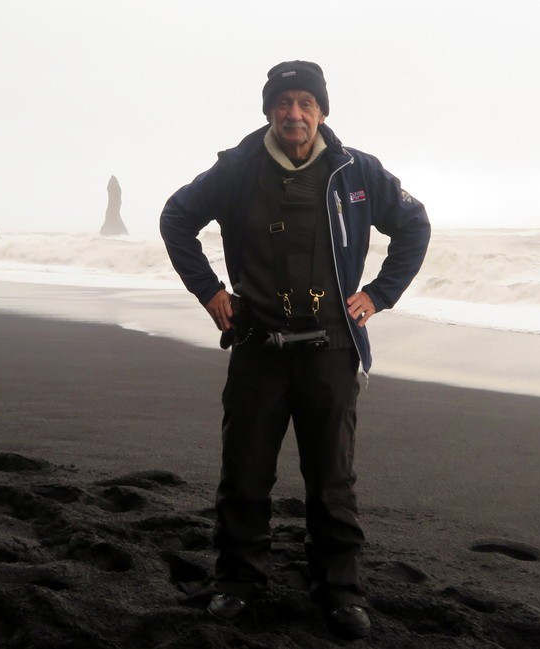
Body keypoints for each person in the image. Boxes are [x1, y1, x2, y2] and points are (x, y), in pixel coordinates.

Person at [160, 60, 430, 640]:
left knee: (332, 478)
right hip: (257, 345)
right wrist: (209, 292)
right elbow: (176, 217)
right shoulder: (236, 169)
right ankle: (238, 580)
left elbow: (414, 225)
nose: (295, 113)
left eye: (307, 102)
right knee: (245, 473)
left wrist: (380, 294)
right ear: (268, 111)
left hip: (332, 347)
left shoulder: (356, 171)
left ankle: (338, 589)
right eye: (283, 102)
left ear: (323, 111)